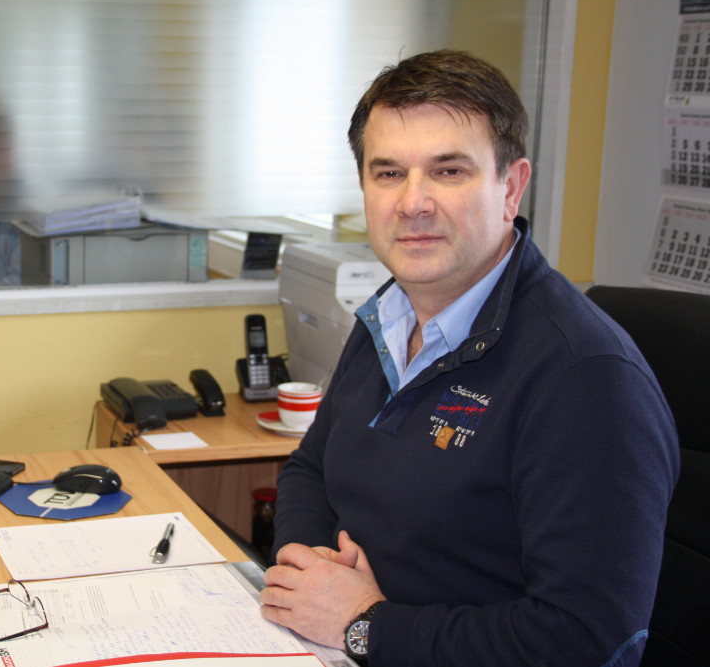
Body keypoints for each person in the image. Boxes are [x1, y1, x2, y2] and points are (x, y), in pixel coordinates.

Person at [259, 49, 680, 667]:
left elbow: (587, 642)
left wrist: (364, 625)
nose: (413, 202)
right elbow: (310, 469)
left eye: (449, 171)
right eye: (388, 173)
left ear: (511, 187)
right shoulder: (389, 315)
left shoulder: (587, 380)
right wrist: (310, 570)